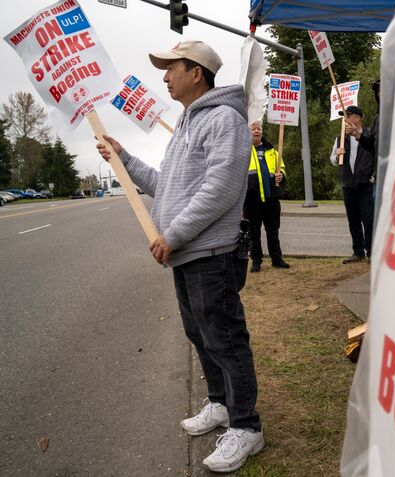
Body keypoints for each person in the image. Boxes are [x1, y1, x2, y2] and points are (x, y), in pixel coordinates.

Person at [96, 40, 263, 473]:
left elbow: (222, 189)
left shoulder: (225, 118)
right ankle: (221, 404)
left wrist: (173, 234)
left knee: (225, 338)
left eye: (172, 68)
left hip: (211, 253)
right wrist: (124, 156)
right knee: (200, 334)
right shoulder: (187, 121)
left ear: (197, 73)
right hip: (188, 256)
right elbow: (163, 183)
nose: (165, 76)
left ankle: (247, 427)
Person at [330, 105, 376, 263]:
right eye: (344, 117)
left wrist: (373, 176)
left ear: (358, 118)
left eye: (348, 116)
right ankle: (358, 252)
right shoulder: (340, 137)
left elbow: (377, 157)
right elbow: (333, 160)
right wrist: (337, 156)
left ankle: (371, 252)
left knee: (369, 220)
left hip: (366, 184)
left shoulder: (370, 135)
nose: (346, 119)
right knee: (353, 219)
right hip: (348, 185)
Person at [244, 121, 290, 273]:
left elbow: (281, 167)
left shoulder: (272, 151)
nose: (257, 131)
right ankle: (256, 261)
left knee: (273, 232)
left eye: (259, 129)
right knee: (253, 233)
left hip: (271, 199)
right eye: (253, 129)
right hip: (252, 200)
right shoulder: (243, 150)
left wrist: (281, 176)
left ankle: (277, 259)